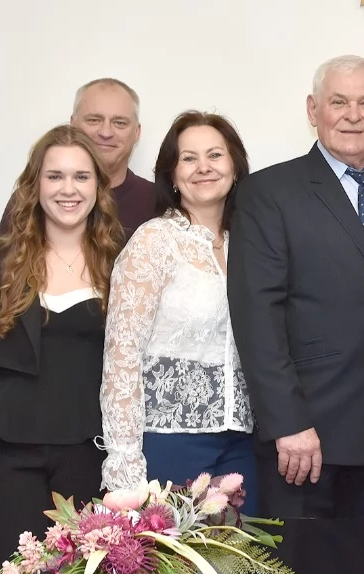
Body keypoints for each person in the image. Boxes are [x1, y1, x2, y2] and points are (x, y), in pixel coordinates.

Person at [228, 54, 364, 519]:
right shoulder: (269, 193)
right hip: (309, 441)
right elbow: (256, 315)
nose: (353, 115)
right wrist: (288, 423)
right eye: (338, 101)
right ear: (313, 109)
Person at [0, 124, 123, 574]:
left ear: (98, 187)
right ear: (35, 184)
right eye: (55, 176)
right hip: (10, 457)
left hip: (92, 456)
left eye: (81, 177)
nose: (68, 189)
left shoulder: (122, 259)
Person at [98, 111, 258, 514]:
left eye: (215, 155)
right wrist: (125, 467)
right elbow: (122, 357)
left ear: (235, 167)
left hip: (244, 443)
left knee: (238, 571)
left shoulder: (254, 243)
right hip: (169, 442)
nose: (203, 167)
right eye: (188, 158)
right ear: (171, 174)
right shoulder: (154, 241)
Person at [0, 78, 155, 239]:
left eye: (119, 123)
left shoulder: (157, 201)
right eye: (94, 120)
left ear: (136, 132)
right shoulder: (30, 197)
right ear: (73, 125)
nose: (106, 132)